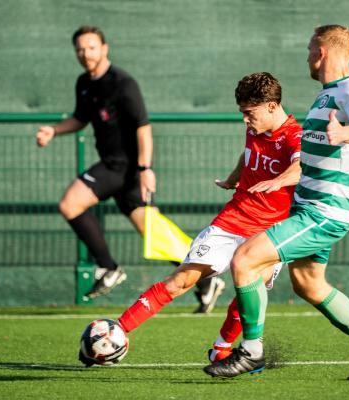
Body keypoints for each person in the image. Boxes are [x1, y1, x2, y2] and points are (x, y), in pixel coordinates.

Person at [205, 25, 349, 381]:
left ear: (323, 52)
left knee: (246, 260)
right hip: (320, 209)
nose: (308, 56)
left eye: (311, 49)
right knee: (309, 284)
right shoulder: (326, 96)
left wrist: (348, 133)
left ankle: (250, 352)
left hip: (321, 211)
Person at [35, 25, 223, 311]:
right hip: (117, 170)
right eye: (80, 49)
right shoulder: (84, 83)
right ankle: (205, 279)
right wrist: (53, 130)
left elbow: (143, 127)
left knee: (70, 204)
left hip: (123, 168)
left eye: (91, 47)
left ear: (104, 48)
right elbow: (79, 119)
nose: (86, 53)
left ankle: (109, 267)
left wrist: (145, 168)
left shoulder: (123, 83)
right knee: (155, 235)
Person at [107, 72, 303, 344]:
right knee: (181, 280)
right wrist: (234, 178)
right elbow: (248, 154)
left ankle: (222, 350)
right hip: (233, 221)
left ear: (271, 105)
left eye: (249, 112)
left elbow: (301, 167)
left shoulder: (295, 135)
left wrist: (278, 181)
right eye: (242, 113)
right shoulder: (254, 128)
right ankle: (116, 331)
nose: (245, 119)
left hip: (270, 231)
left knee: (250, 290)